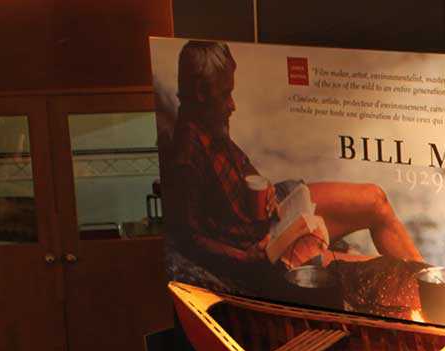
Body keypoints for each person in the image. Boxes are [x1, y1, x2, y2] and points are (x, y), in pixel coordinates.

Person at [165, 40, 424, 277]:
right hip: (266, 250)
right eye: (225, 94)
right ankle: (433, 295)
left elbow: (243, 167)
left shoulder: (209, 124)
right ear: (201, 92)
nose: (232, 104)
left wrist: (265, 190)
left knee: (375, 199)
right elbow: (191, 239)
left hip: (276, 215)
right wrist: (246, 257)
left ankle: (438, 285)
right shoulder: (186, 156)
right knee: (381, 270)